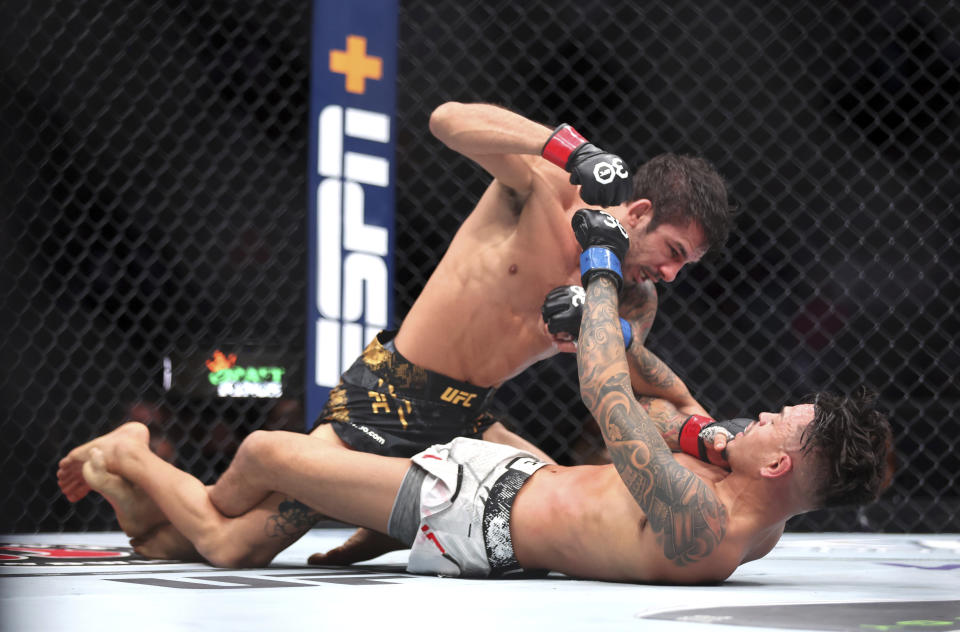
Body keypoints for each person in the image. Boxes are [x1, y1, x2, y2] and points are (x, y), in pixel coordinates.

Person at [60, 102, 737, 564]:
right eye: (674, 250)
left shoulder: (631, 292)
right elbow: (447, 121)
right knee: (224, 545)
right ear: (640, 211)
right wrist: (568, 146)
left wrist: (610, 336)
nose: (673, 274)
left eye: (687, 265)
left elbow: (631, 366)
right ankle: (133, 451)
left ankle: (384, 524)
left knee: (553, 504)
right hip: (389, 397)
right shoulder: (550, 191)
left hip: (468, 419)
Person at [55, 212, 892, 583]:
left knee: (262, 464)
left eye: (780, 421)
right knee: (185, 541)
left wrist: (600, 275)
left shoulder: (704, 527)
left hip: (475, 512)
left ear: (781, 458)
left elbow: (610, 401)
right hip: (505, 475)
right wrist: (650, 363)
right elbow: (676, 413)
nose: (766, 413)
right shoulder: (761, 517)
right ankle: (153, 507)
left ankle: (130, 452)